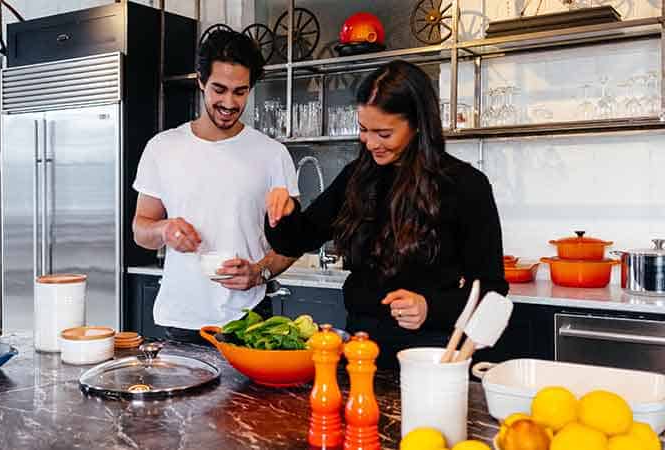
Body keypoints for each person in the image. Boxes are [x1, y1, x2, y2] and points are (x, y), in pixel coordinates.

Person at [264, 60, 509, 367]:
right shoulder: (356, 177)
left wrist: (429, 307)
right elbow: (296, 240)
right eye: (364, 130)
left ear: (418, 123)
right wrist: (283, 212)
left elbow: (492, 290)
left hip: (431, 355)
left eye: (384, 133)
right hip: (361, 351)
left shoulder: (465, 186)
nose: (370, 143)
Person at [132, 30, 299, 343]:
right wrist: (164, 230)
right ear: (200, 81)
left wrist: (259, 272)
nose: (229, 103)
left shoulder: (272, 153)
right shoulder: (162, 147)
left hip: (247, 320)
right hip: (180, 319)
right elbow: (141, 230)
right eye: (219, 89)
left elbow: (293, 241)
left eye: (240, 92)